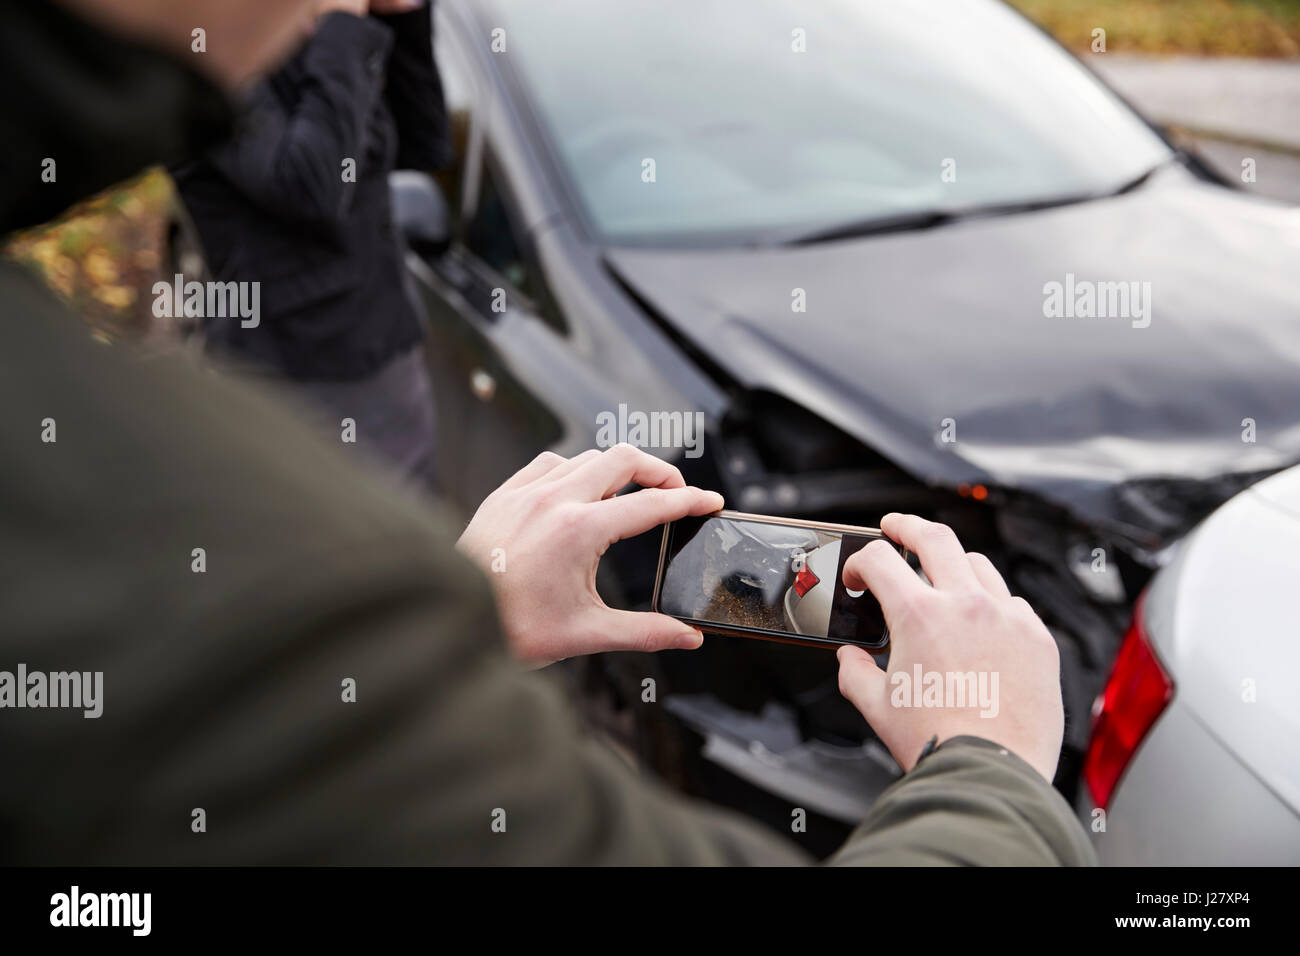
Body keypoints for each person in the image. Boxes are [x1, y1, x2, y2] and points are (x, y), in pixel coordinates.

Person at [0, 0, 1094, 865]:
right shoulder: (267, 590)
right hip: (302, 359)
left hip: (381, 343)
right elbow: (314, 172)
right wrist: (988, 760)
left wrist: (394, 24)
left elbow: (413, 143)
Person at [171, 0, 449, 488]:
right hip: (294, 376)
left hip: (388, 358)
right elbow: (309, 186)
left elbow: (422, 144)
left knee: (410, 543)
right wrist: (342, 22)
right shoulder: (210, 55)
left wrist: (404, 13)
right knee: (345, 556)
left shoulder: (313, 42)